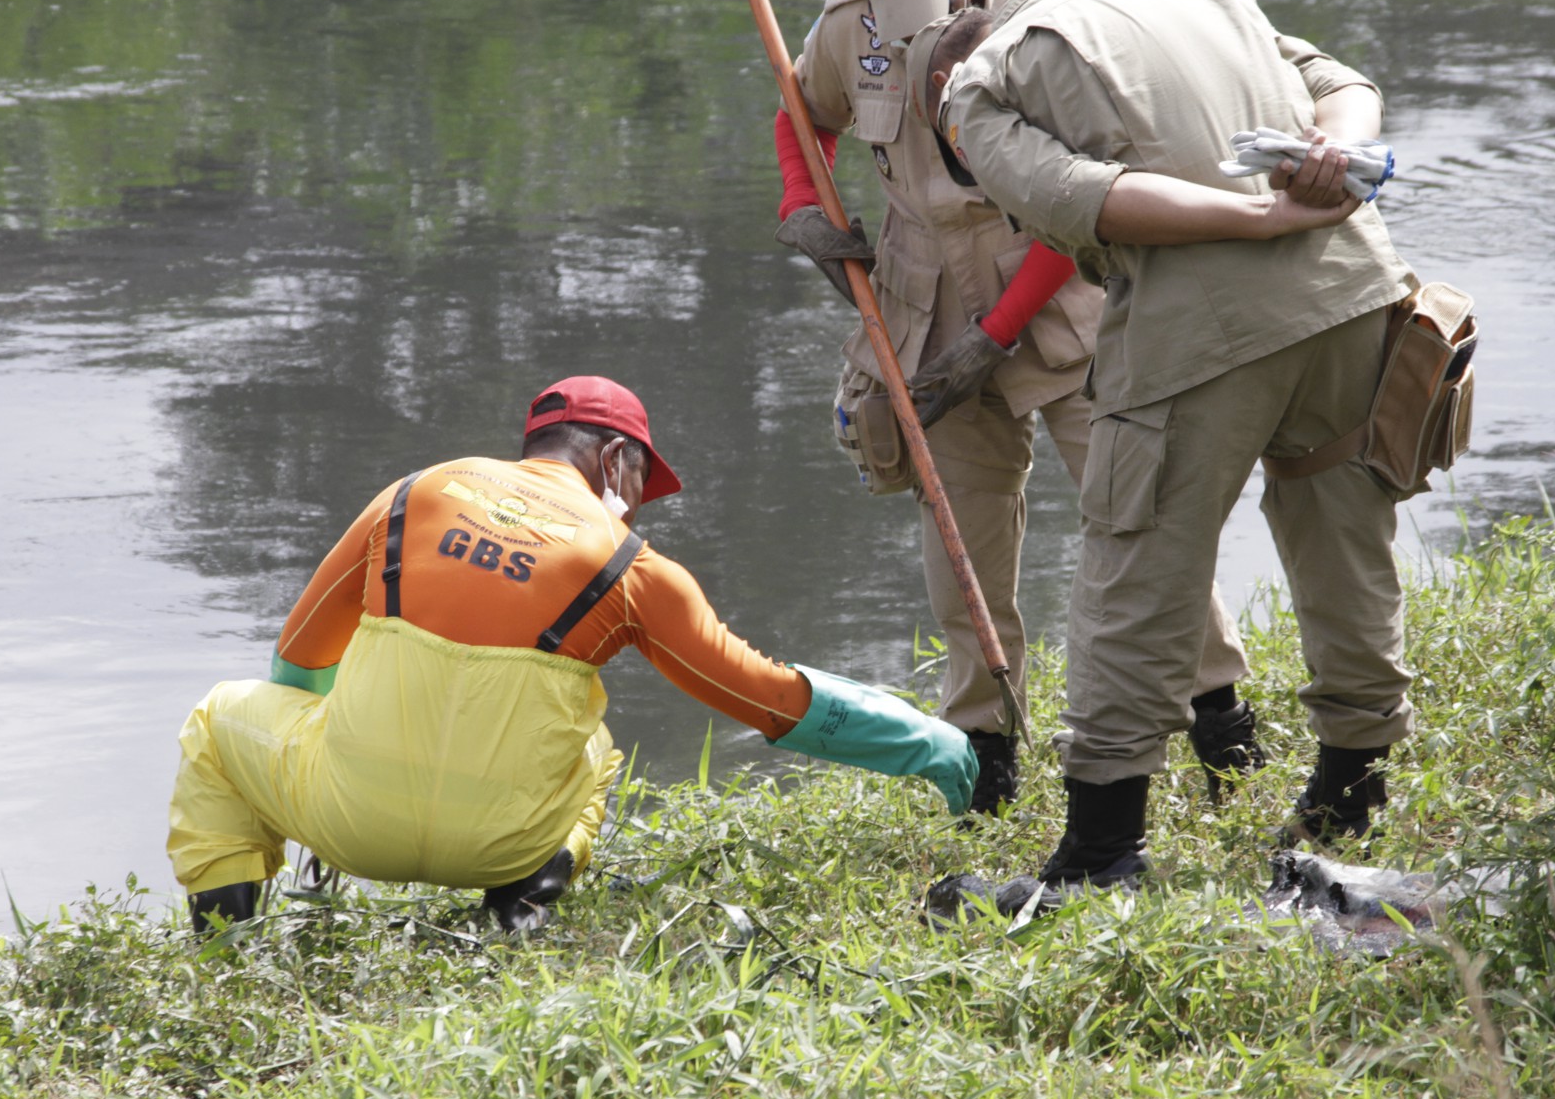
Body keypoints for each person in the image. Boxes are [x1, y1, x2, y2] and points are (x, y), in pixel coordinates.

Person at [914, 0, 1423, 887]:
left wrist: (1267, 215)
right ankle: (1353, 794)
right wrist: (1327, 159)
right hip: (1355, 287)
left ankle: (1103, 852)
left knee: (1134, 564)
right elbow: (1347, 88)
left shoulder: (973, 94)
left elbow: (1092, 197)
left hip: (1205, 331)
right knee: (1347, 536)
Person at [165, 376, 977, 933]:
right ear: (615, 461)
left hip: (347, 823)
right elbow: (771, 701)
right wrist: (937, 747)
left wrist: (325, 782)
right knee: (595, 751)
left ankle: (224, 960)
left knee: (217, 720)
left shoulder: (414, 494)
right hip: (504, 842)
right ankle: (518, 914)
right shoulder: (632, 569)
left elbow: (299, 663)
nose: (633, 504)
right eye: (638, 483)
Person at [773, 0, 1257, 815]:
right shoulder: (848, 23)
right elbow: (800, 115)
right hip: (921, 302)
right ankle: (984, 751)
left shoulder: (1050, 24)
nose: (910, 35)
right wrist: (805, 202)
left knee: (1135, 516)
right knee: (961, 536)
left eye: (925, 7)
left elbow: (1085, 198)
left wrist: (995, 338)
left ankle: (1221, 720)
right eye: (892, 16)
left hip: (1063, 287)